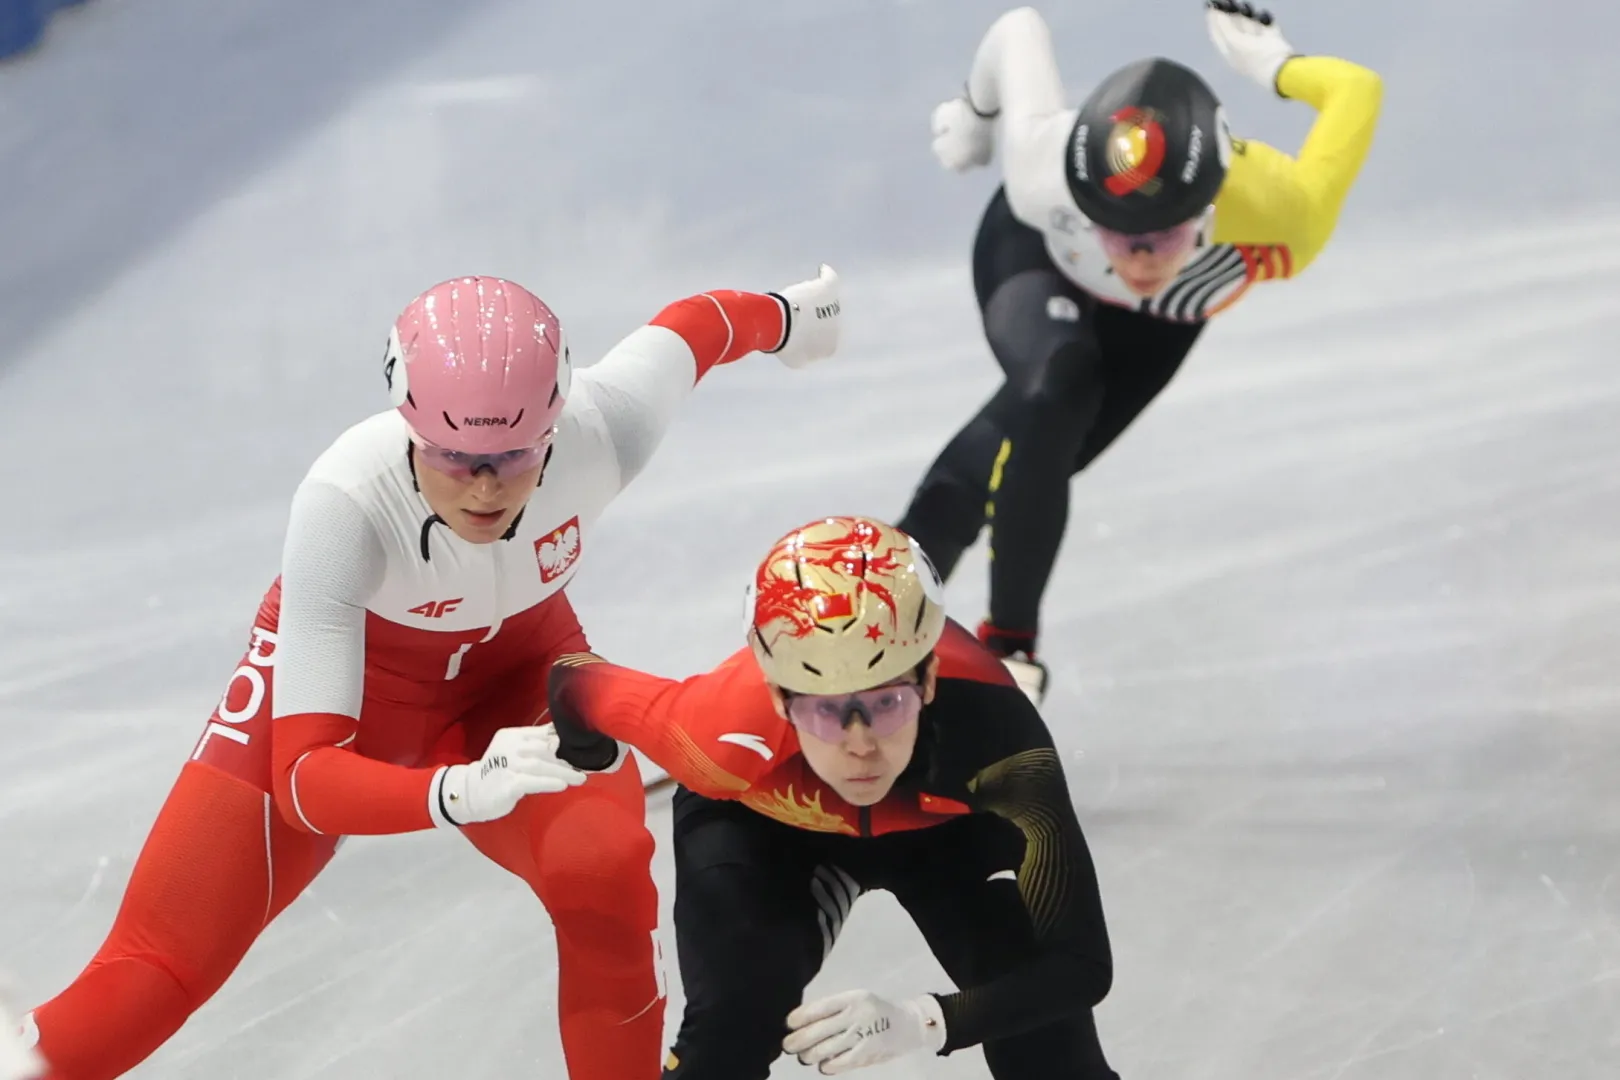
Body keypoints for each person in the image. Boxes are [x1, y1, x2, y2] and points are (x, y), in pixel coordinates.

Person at [18, 266, 844, 1080]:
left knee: (605, 878)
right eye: (453, 456)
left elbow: (698, 328)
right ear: (407, 423)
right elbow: (304, 778)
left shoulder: (605, 427)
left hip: (519, 679)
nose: (484, 486)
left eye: (514, 454)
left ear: (556, 421)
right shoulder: (345, 504)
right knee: (160, 968)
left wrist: (790, 316)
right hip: (348, 696)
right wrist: (451, 794)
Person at [896, 0, 1383, 702]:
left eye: (1165, 238)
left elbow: (1359, 91)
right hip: (1037, 260)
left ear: (1212, 211)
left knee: (1029, 456)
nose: (1141, 259)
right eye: (1118, 235)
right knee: (1058, 388)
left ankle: (882, 605)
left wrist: (1276, 67)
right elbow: (1017, 29)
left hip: (1158, 325)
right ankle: (1010, 648)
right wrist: (976, 117)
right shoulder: (1043, 170)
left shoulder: (1284, 212)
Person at [548, 515, 1118, 1078]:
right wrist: (589, 764)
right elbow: (572, 681)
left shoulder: (1001, 746)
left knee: (1049, 1045)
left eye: (886, 703)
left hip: (948, 836)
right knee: (729, 1029)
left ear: (928, 680)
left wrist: (927, 1020)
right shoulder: (713, 732)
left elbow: (1081, 967)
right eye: (823, 710)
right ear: (776, 698)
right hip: (767, 833)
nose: (860, 746)